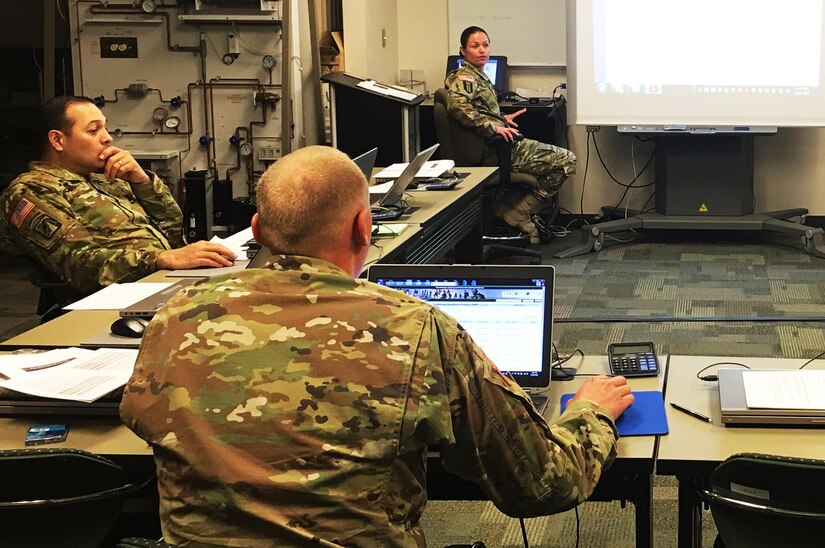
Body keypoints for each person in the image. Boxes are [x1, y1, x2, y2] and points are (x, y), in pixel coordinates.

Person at [120, 146, 633, 547]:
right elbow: (542, 483)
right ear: (365, 227)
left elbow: (139, 418)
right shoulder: (416, 329)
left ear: (255, 230)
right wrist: (591, 413)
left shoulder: (176, 315)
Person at [0, 95, 236, 297]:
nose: (107, 138)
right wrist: (159, 259)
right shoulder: (32, 191)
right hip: (116, 297)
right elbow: (80, 265)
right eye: (93, 130)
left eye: (105, 128)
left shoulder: (107, 180)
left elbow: (173, 230)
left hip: (159, 281)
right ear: (58, 140)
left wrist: (142, 182)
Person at [445, 26, 577, 243]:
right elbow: (458, 107)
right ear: (462, 50)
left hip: (496, 145)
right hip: (494, 150)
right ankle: (518, 212)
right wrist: (493, 127)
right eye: (475, 46)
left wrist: (501, 119)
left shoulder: (477, 76)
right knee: (567, 160)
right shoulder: (466, 77)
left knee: (559, 160)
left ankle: (506, 208)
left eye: (485, 45)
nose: (482, 50)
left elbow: (476, 110)